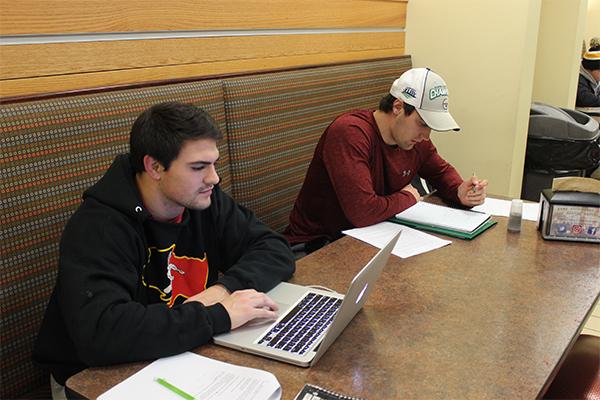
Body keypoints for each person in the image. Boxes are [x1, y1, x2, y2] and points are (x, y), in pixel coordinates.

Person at [33, 102, 295, 397]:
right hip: (93, 378)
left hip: (179, 352)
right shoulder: (100, 226)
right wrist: (219, 315)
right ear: (154, 167)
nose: (214, 178)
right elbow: (103, 333)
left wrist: (224, 290)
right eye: (198, 167)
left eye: (214, 164)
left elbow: (274, 248)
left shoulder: (203, 200)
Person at [284, 67, 487, 252]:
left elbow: (441, 172)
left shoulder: (415, 141)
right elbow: (362, 211)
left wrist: (459, 190)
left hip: (371, 239)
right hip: (318, 247)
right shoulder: (350, 133)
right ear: (398, 107)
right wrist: (408, 197)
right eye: (422, 123)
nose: (426, 135)